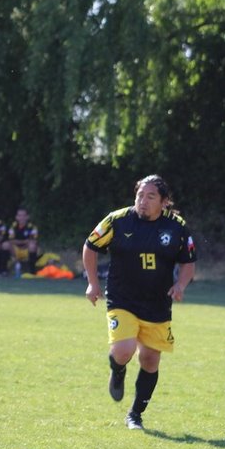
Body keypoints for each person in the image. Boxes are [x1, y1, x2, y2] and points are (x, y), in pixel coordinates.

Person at [82, 174, 197, 430]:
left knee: (150, 360)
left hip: (157, 303)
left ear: (164, 202)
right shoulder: (117, 220)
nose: (142, 201)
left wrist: (180, 285)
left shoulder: (177, 227)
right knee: (123, 350)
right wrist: (92, 282)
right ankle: (118, 370)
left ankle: (135, 414)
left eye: (150, 197)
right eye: (139, 195)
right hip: (122, 297)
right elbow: (90, 247)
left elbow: (188, 263)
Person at [3, 207, 39, 275]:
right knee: (5, 244)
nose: (21, 218)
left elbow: (34, 241)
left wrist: (20, 242)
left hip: (26, 250)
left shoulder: (32, 227)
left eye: (23, 216)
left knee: (32, 246)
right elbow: (11, 240)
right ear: (16, 217)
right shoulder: (13, 226)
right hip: (15, 250)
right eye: (19, 215)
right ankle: (4, 270)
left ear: (27, 217)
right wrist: (25, 241)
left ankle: (32, 271)